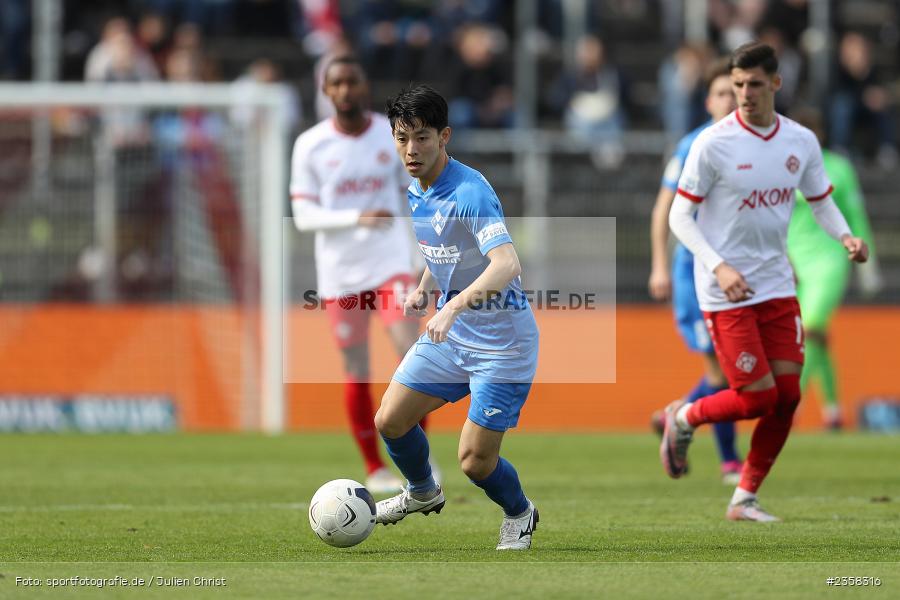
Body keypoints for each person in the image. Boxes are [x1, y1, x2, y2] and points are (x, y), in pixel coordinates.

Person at [660, 42, 869, 522]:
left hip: (775, 285)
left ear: (775, 84)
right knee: (756, 396)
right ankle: (684, 417)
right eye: (737, 86)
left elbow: (820, 201)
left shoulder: (800, 141)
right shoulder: (713, 143)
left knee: (788, 396)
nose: (745, 94)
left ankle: (744, 497)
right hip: (724, 289)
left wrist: (846, 237)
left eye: (754, 84)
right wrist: (719, 266)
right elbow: (679, 216)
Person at [374, 85, 539, 550]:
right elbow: (446, 249)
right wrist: (424, 289)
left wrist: (448, 306)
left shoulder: (471, 192)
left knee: (475, 462)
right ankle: (423, 492)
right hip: (452, 337)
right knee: (390, 420)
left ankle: (520, 511)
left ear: (444, 136)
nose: (412, 149)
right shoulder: (415, 191)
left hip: (502, 346)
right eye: (402, 138)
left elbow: (506, 263)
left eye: (422, 137)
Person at [290, 56, 434, 494]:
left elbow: (412, 195)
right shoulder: (310, 145)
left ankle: (418, 461)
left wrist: (417, 255)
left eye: (353, 80)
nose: (346, 89)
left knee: (412, 355)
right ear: (326, 90)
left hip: (390, 263)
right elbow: (302, 215)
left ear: (364, 86)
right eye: (337, 83)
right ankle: (375, 466)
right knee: (356, 369)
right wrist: (356, 216)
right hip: (340, 274)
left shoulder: (390, 135)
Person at [648, 57, 743, 484]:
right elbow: (664, 209)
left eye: (736, 93)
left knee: (732, 369)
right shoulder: (692, 146)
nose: (730, 100)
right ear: (708, 101)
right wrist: (659, 265)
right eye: (722, 93)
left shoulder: (747, 145)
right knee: (723, 372)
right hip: (695, 274)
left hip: (736, 270)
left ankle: (678, 413)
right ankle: (728, 461)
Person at [787, 108, 883, 429]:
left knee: (810, 328)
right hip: (793, 262)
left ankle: (790, 404)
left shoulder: (839, 168)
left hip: (829, 260)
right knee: (815, 338)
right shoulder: (783, 168)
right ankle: (833, 412)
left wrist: (868, 266)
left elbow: (855, 214)